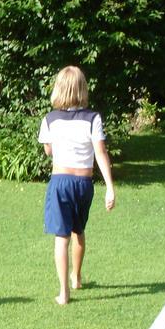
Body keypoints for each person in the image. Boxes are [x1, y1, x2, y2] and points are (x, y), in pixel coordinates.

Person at [38, 66, 116, 305]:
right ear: (83, 88)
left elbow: (48, 150)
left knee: (61, 237)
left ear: (58, 88)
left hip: (60, 182)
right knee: (78, 231)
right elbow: (100, 153)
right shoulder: (93, 118)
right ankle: (77, 277)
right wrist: (110, 187)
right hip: (84, 183)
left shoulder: (50, 119)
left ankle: (64, 292)